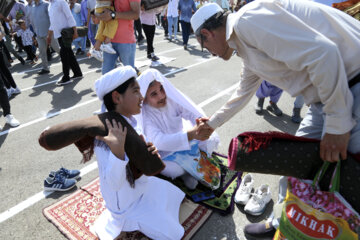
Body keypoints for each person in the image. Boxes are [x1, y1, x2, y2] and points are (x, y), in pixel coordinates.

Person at [190, 1, 360, 237]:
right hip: (325, 97)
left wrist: (337, 123)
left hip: (351, 88)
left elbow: (324, 53)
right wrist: (211, 125)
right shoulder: (243, 41)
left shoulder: (248, 21)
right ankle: (285, 221)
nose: (208, 53)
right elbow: (243, 92)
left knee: (351, 177)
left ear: (206, 34)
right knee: (295, 167)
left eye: (202, 45)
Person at [92, 66, 185, 240]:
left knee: (174, 193)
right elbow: (113, 183)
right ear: (116, 97)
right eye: (136, 92)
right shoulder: (106, 135)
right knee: (174, 234)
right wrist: (117, 152)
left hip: (141, 188)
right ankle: (123, 226)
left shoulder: (130, 120)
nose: (142, 98)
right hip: (127, 205)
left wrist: (150, 152)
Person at [137, 69, 219, 189]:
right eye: (154, 94)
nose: (161, 95)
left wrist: (201, 125)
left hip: (186, 140)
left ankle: (191, 169)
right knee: (171, 170)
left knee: (213, 138)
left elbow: (191, 113)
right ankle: (187, 173)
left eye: (161, 88)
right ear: (144, 98)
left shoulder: (170, 100)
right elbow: (159, 141)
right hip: (167, 152)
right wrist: (191, 135)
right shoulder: (145, 114)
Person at [96, 0, 141, 74]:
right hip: (108, 42)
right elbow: (99, 6)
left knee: (129, 76)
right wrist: (97, 14)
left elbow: (136, 14)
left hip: (125, 41)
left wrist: (113, 15)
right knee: (106, 75)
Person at [47, 0, 83, 86]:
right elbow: (52, 22)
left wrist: (75, 31)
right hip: (58, 34)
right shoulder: (50, 5)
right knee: (69, 53)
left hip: (66, 33)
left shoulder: (61, 1)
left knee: (64, 54)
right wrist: (49, 36)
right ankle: (77, 73)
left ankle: (66, 77)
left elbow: (69, 16)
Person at [30, 0, 61, 75]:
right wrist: (35, 32)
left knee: (57, 48)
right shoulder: (33, 6)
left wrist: (51, 31)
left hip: (49, 32)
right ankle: (45, 68)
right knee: (42, 51)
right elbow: (33, 21)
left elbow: (52, 18)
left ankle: (68, 62)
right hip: (39, 34)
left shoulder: (46, 4)